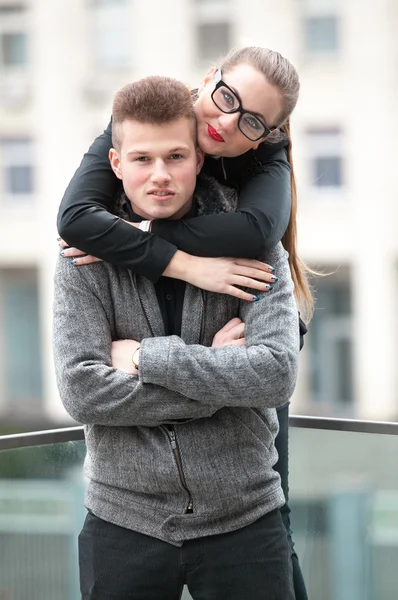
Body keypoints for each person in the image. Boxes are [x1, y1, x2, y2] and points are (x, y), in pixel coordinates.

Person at [57, 46, 311, 598]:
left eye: (176, 156)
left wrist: (148, 359)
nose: (225, 121)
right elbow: (82, 392)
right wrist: (222, 374)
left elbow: (273, 378)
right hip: (123, 519)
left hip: (244, 516)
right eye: (143, 160)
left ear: (197, 157)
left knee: (282, 518)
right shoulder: (85, 246)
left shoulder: (255, 234)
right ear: (117, 163)